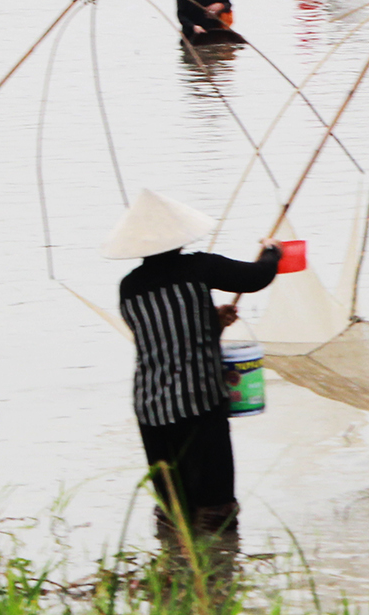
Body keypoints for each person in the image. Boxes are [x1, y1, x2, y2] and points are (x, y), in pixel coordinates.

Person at [106, 190, 281, 544]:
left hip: (151, 407)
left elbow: (160, 339)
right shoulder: (199, 268)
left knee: (173, 506)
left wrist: (211, 322)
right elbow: (256, 278)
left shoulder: (129, 288)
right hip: (198, 402)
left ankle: (175, 568)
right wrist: (272, 251)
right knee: (216, 506)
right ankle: (217, 577)